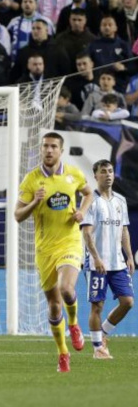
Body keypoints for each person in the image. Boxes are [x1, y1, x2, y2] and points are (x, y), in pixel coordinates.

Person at [15, 132, 93, 373]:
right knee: (53, 305)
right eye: (45, 146)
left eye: (53, 147)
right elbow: (18, 216)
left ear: (61, 150)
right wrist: (34, 203)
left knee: (67, 288)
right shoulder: (31, 180)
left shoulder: (73, 174)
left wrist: (82, 212)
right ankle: (62, 353)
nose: (48, 150)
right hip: (44, 249)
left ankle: (74, 325)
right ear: (41, 149)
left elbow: (88, 192)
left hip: (69, 242)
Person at [81, 159, 133, 360]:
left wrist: (129, 256)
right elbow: (86, 233)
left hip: (118, 263)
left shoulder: (121, 200)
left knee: (127, 302)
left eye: (110, 171)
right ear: (96, 176)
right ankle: (98, 349)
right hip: (97, 264)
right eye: (104, 171)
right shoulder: (90, 202)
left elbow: (124, 230)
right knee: (98, 306)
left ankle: (102, 333)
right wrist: (96, 258)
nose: (108, 174)